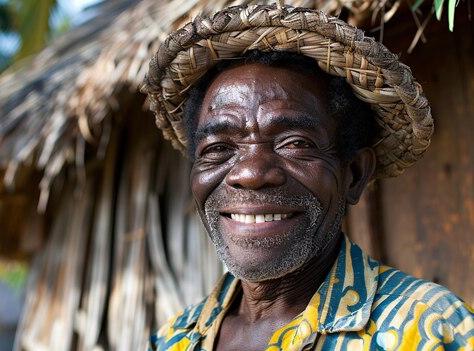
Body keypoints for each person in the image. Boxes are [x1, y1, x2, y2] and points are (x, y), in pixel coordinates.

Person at [141, 4, 474, 351]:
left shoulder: (429, 330)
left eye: (295, 143)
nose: (251, 173)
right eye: (218, 148)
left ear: (354, 175)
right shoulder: (171, 340)